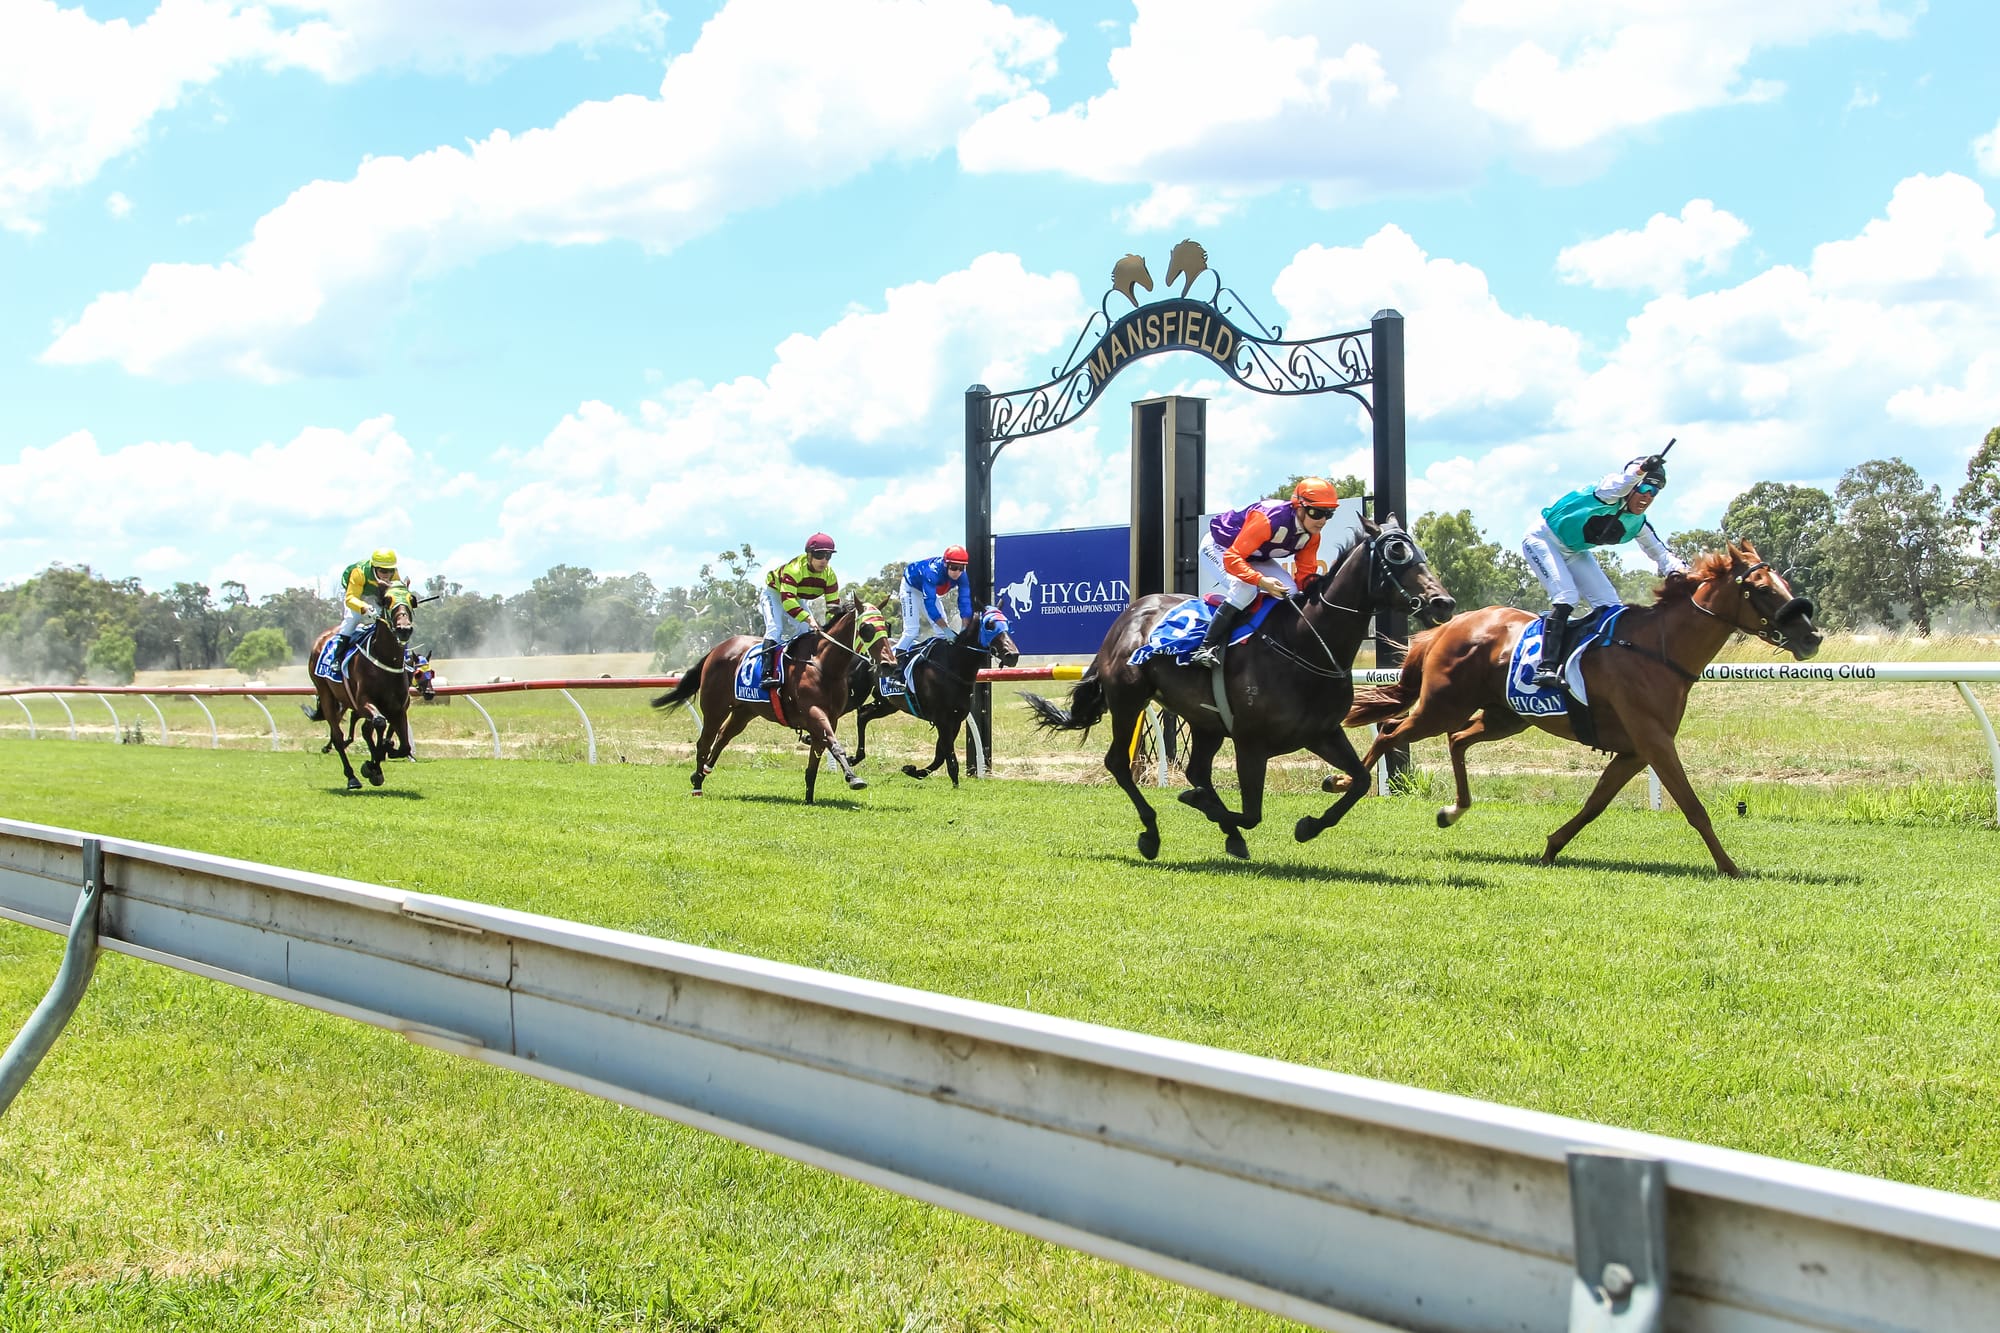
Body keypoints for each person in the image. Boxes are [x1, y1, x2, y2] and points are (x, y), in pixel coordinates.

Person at [1522, 451, 1688, 690]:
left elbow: (1661, 554)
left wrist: (1682, 573)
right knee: (1567, 596)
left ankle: (1593, 661)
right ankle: (1546, 666)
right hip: (1543, 539)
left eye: (1654, 493)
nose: (1648, 497)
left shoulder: (1639, 523)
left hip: (1574, 551)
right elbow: (1622, 482)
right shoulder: (1607, 492)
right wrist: (1641, 469)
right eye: (1644, 490)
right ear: (1632, 487)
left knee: (1611, 606)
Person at [1188, 477, 1340, 669]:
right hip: (1221, 547)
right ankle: (1206, 647)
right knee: (1246, 589)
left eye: (1329, 514)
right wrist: (1261, 581)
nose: (1323, 521)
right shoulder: (1268, 519)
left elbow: (1304, 577)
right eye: (1317, 513)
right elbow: (1232, 559)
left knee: (1291, 592)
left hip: (1253, 556)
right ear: (1299, 507)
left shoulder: (1312, 536)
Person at [302, 547, 406, 720]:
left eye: (390, 570)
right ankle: (336, 658)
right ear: (374, 567)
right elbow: (350, 598)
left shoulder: (394, 575)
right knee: (351, 622)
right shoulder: (359, 573)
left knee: (392, 624)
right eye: (382, 571)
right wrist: (365, 608)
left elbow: (398, 595)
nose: (387, 574)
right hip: (357, 596)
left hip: (377, 597)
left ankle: (405, 659)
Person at [760, 533, 840, 687]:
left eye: (828, 556)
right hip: (775, 593)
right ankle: (766, 674)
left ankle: (802, 671)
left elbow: (833, 607)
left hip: (795, 596)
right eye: (819, 555)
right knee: (775, 628)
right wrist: (810, 618)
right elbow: (788, 603)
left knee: (806, 631)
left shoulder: (830, 576)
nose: (823, 560)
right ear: (809, 555)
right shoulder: (795, 569)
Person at [892, 544, 973, 676]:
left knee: (942, 634)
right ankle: (895, 666)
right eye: (954, 567)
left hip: (928, 590)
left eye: (961, 568)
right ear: (946, 565)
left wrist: (964, 630)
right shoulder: (932, 572)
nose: (957, 572)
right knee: (912, 631)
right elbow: (930, 605)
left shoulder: (962, 576)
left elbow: (965, 602)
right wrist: (947, 630)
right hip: (910, 588)